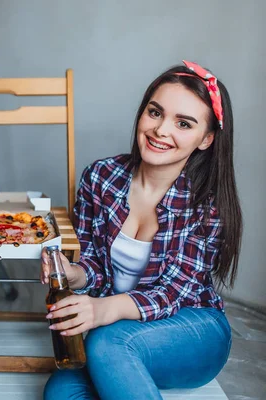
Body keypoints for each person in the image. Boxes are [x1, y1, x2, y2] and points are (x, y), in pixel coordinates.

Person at [40, 60, 242, 400]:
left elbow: (172, 294)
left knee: (106, 341)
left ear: (206, 139)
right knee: (60, 391)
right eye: (155, 112)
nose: (161, 130)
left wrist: (102, 310)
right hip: (117, 334)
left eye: (183, 123)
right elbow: (95, 268)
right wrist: (72, 273)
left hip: (192, 329)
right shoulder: (100, 177)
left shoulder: (207, 207)